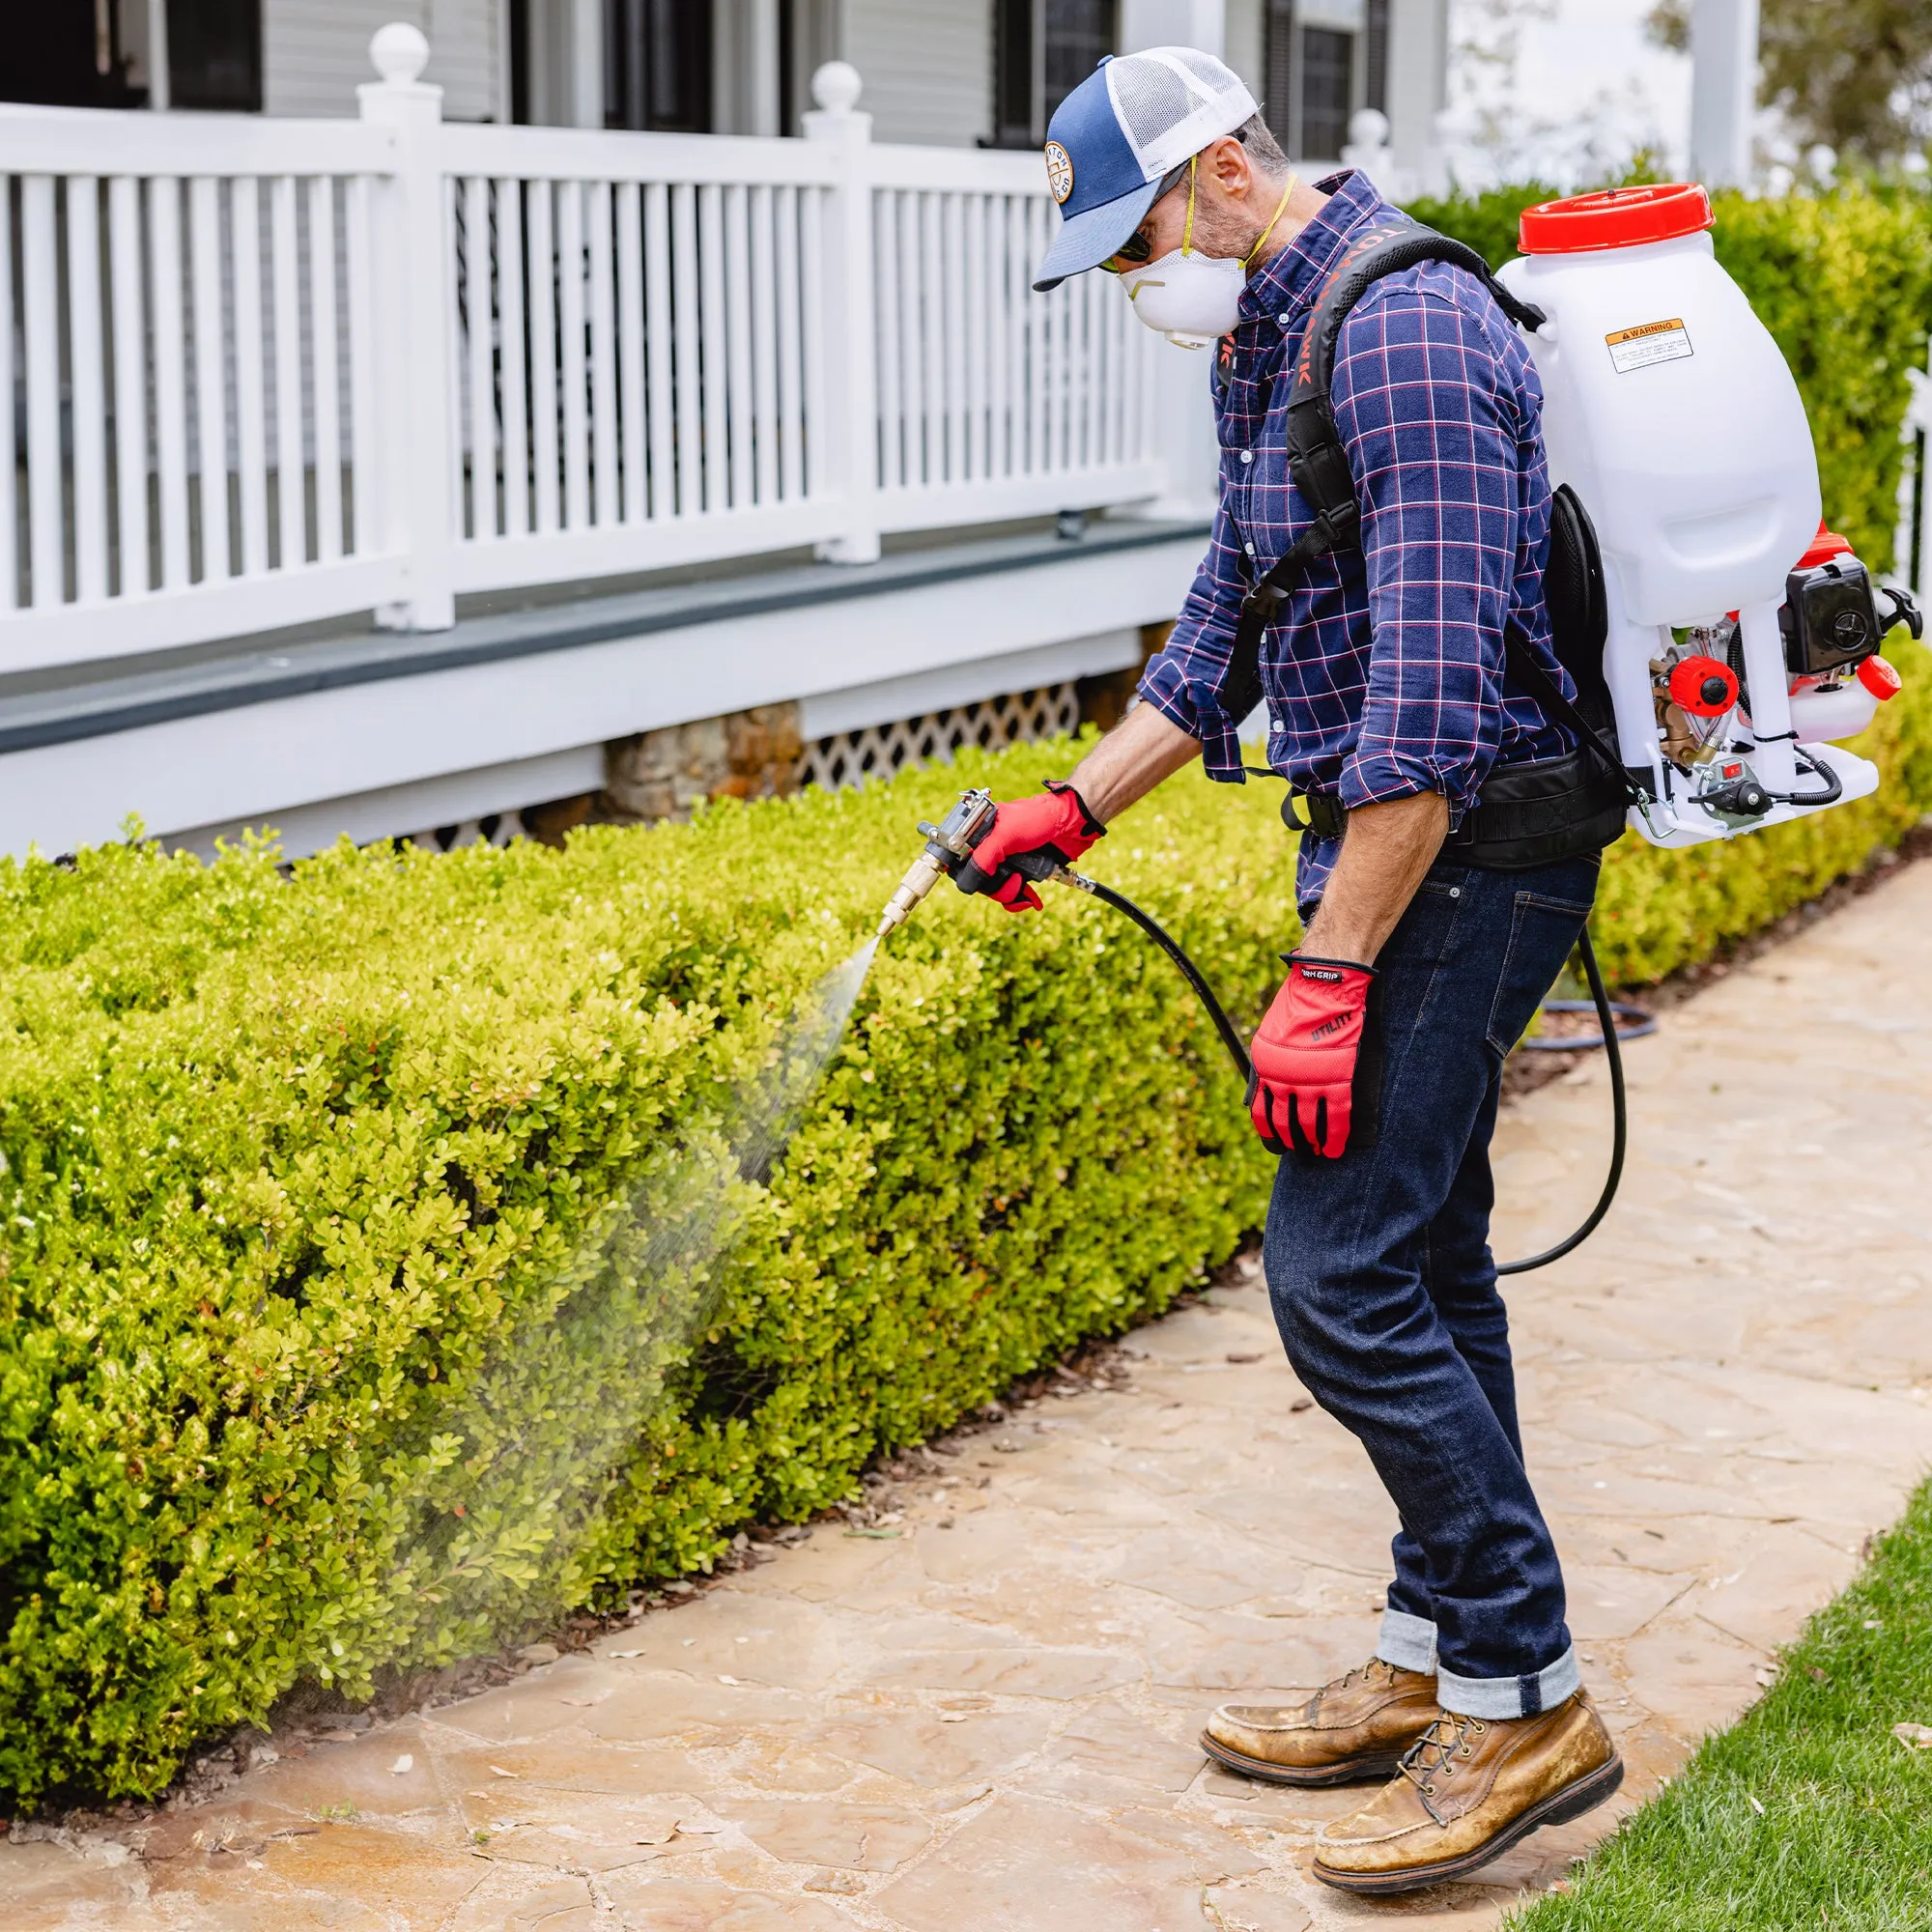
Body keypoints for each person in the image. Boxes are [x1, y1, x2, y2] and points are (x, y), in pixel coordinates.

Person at [957, 47, 1625, 1896]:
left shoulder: (1406, 334)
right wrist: (1070, 808)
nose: (1130, 282)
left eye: (1134, 238)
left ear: (1228, 175)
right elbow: (1232, 605)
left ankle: (1533, 1701)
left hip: (1473, 847)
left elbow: (1425, 719)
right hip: (1418, 836)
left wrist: (1326, 978)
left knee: (1334, 1279)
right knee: (1420, 1253)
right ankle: (1441, 1666)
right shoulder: (1277, 327)